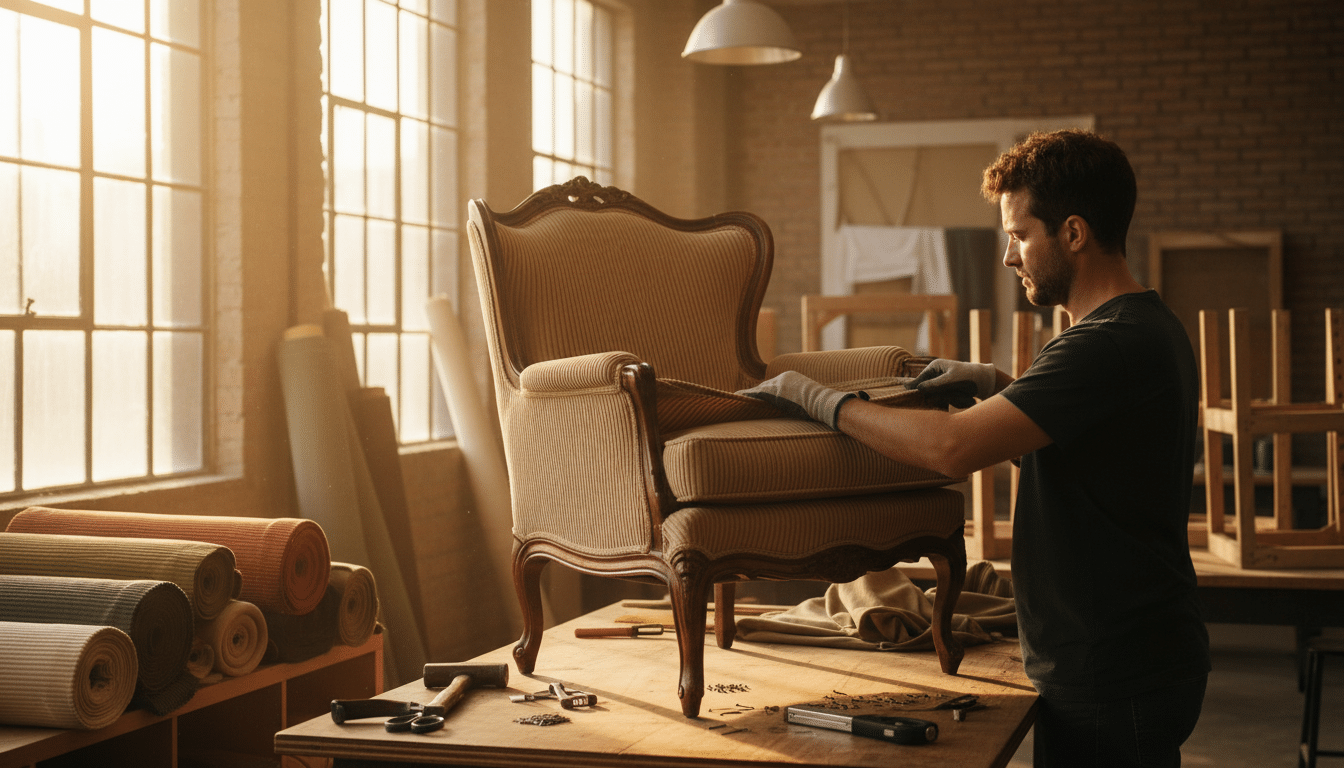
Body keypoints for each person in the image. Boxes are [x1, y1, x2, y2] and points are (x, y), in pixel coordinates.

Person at [740, 129, 1210, 767]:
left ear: (1073, 233)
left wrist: (827, 402)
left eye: (1019, 235)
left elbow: (950, 449)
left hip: (1111, 665)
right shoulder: (1147, 326)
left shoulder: (1105, 344)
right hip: (1133, 652)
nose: (1010, 256)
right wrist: (999, 387)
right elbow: (1092, 461)